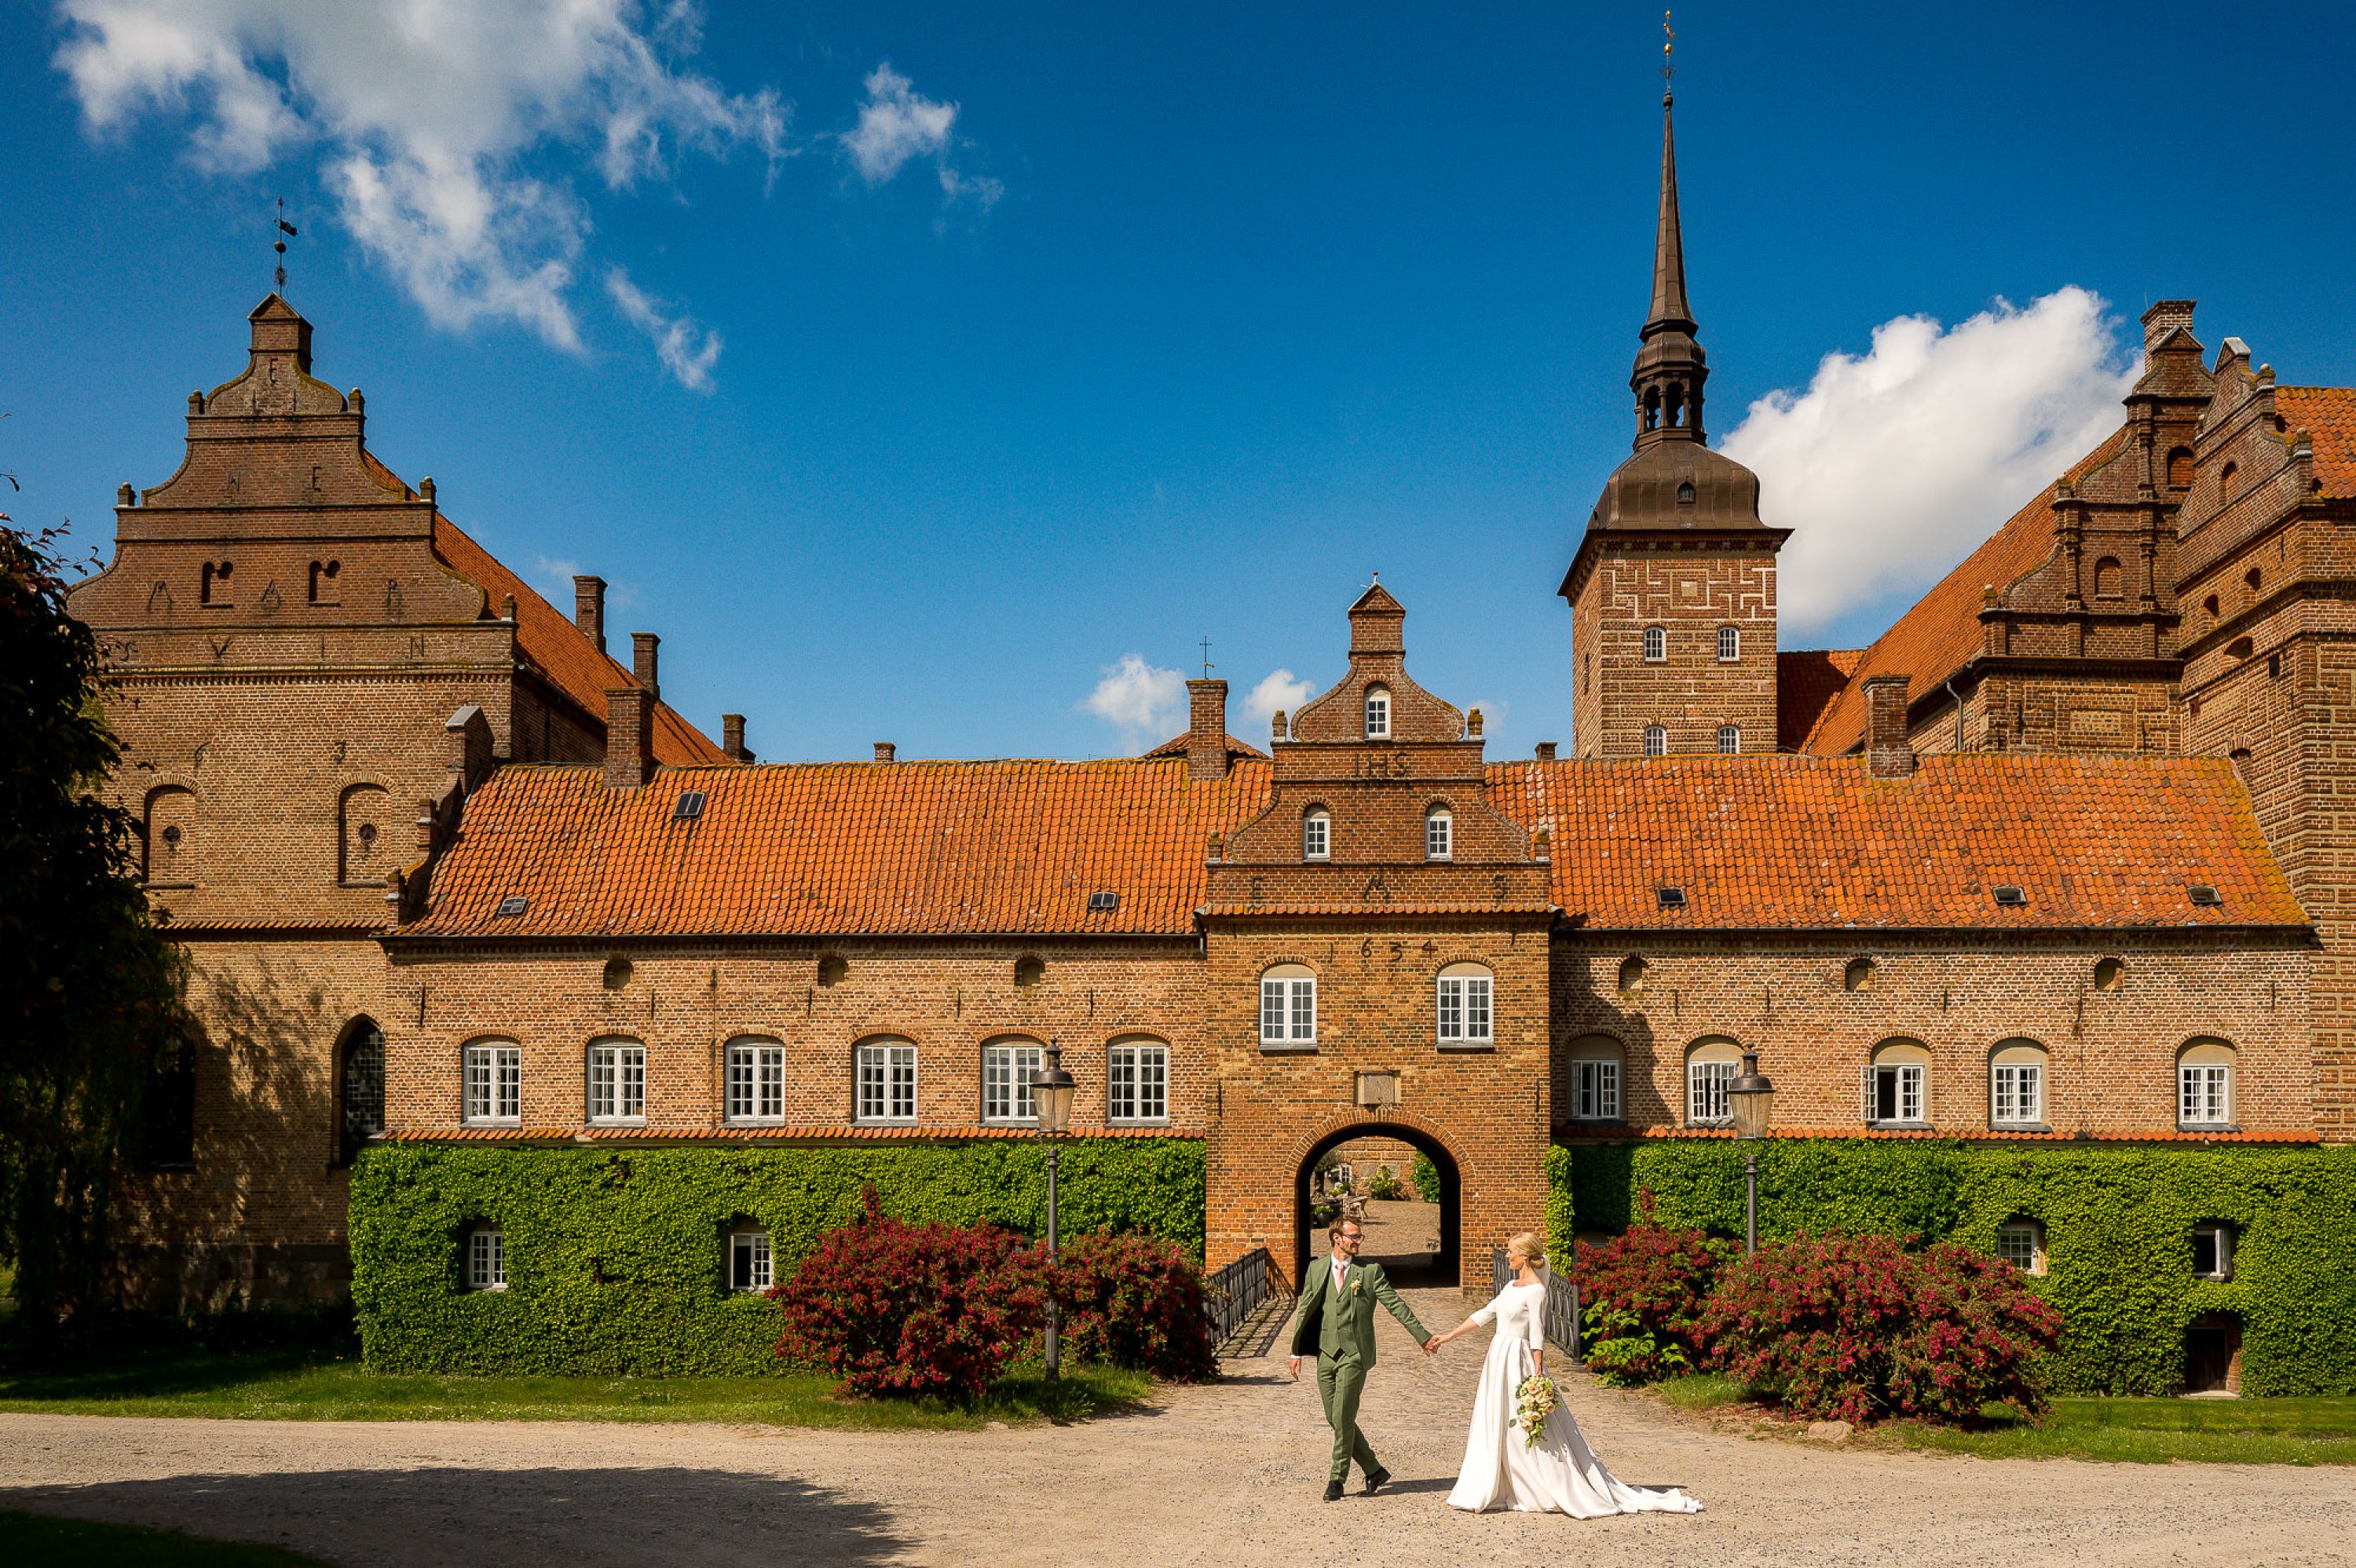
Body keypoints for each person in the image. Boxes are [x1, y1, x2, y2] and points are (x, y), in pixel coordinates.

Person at [1429, 1230, 1703, 1517]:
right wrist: (1449, 1336)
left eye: (1511, 1251)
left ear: (1525, 1256)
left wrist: (1537, 1372)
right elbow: (1485, 1313)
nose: (1507, 1255)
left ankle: (1536, 1484)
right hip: (1498, 1356)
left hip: (1518, 1360)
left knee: (1523, 1421)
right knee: (1495, 1417)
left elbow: (1537, 1334)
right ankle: (1497, 1482)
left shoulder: (1537, 1291)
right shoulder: (1511, 1285)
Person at [1286, 1216, 1436, 1500]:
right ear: (1336, 1238)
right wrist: (1296, 1351)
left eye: (1359, 1237)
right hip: (1325, 1352)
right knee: (1335, 1417)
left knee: (1343, 1415)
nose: (1357, 1241)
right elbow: (1305, 1309)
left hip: (1354, 1353)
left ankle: (1336, 1479)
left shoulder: (1370, 1272)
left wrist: (1423, 1336)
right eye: (1352, 1237)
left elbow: (1396, 1304)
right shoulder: (1317, 1269)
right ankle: (1373, 1468)